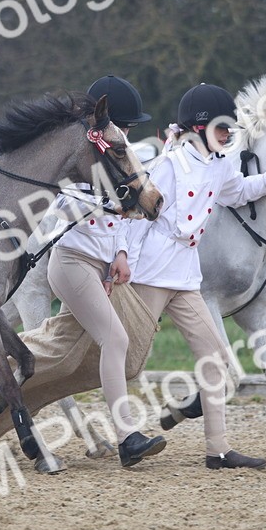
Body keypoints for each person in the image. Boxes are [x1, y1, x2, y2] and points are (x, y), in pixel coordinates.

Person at [126, 83, 266, 470]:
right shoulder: (168, 167)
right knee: (128, 359)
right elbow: (138, 221)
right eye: (222, 130)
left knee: (216, 358)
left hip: (185, 275)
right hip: (150, 272)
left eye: (231, 130)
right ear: (199, 129)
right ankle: (126, 436)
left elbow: (237, 192)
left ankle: (217, 450)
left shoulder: (220, 164)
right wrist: (124, 264)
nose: (229, 136)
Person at [46, 75, 167, 468]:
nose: (127, 134)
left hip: (99, 265)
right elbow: (56, 206)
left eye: (128, 129)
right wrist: (104, 207)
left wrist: (121, 253)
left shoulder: (114, 156)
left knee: (55, 356)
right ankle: (128, 437)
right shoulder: (73, 158)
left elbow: (126, 219)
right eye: (124, 126)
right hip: (71, 262)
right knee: (115, 340)